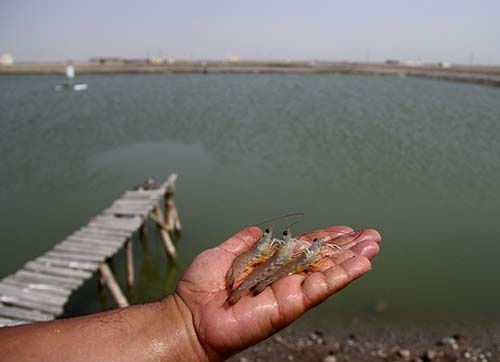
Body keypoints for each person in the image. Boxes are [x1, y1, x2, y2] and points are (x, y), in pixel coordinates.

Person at [0, 225, 381, 362]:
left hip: (256, 275)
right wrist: (185, 327)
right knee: (269, 269)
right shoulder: (262, 258)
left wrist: (182, 326)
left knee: (276, 267)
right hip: (250, 275)